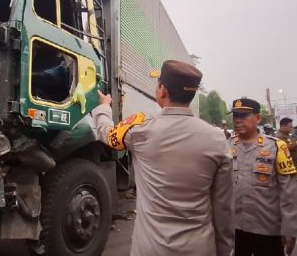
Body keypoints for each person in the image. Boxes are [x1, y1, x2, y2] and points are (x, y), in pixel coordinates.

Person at [93, 60, 233, 256]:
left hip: (151, 249)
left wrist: (105, 107)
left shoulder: (140, 132)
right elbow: (223, 210)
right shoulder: (218, 140)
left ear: (162, 91)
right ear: (191, 95)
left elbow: (107, 134)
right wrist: (225, 250)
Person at [229, 98, 297, 256]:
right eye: (235, 116)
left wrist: (289, 229)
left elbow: (288, 192)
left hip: (267, 228)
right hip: (235, 227)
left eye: (244, 116)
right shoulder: (227, 146)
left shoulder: (276, 146)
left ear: (258, 118)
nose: (238, 120)